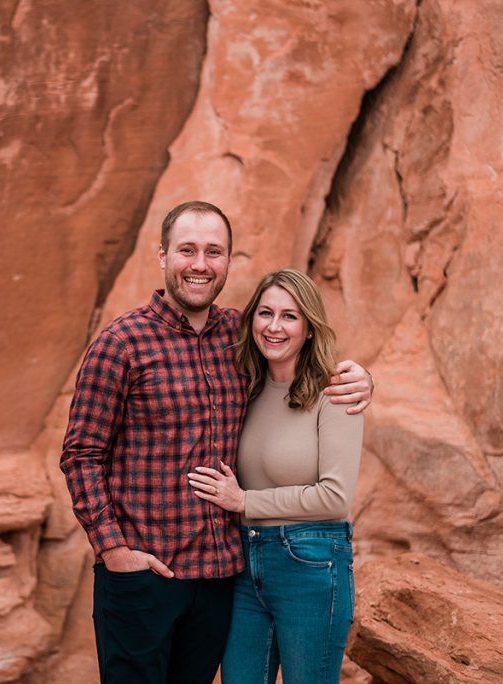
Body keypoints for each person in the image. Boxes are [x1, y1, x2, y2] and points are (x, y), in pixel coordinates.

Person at [60, 201, 372, 684]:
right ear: (163, 256)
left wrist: (364, 377)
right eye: (187, 250)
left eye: (214, 252)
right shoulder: (121, 343)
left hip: (221, 578)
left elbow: (299, 356)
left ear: (229, 261)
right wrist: (113, 550)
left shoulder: (237, 338)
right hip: (145, 572)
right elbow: (81, 453)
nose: (200, 264)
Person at [187, 268, 364, 684]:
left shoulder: (334, 391)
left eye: (290, 316)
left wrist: (245, 501)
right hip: (245, 565)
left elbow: (335, 497)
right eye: (265, 313)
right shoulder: (245, 389)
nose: (274, 326)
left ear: (309, 328)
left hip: (312, 564)